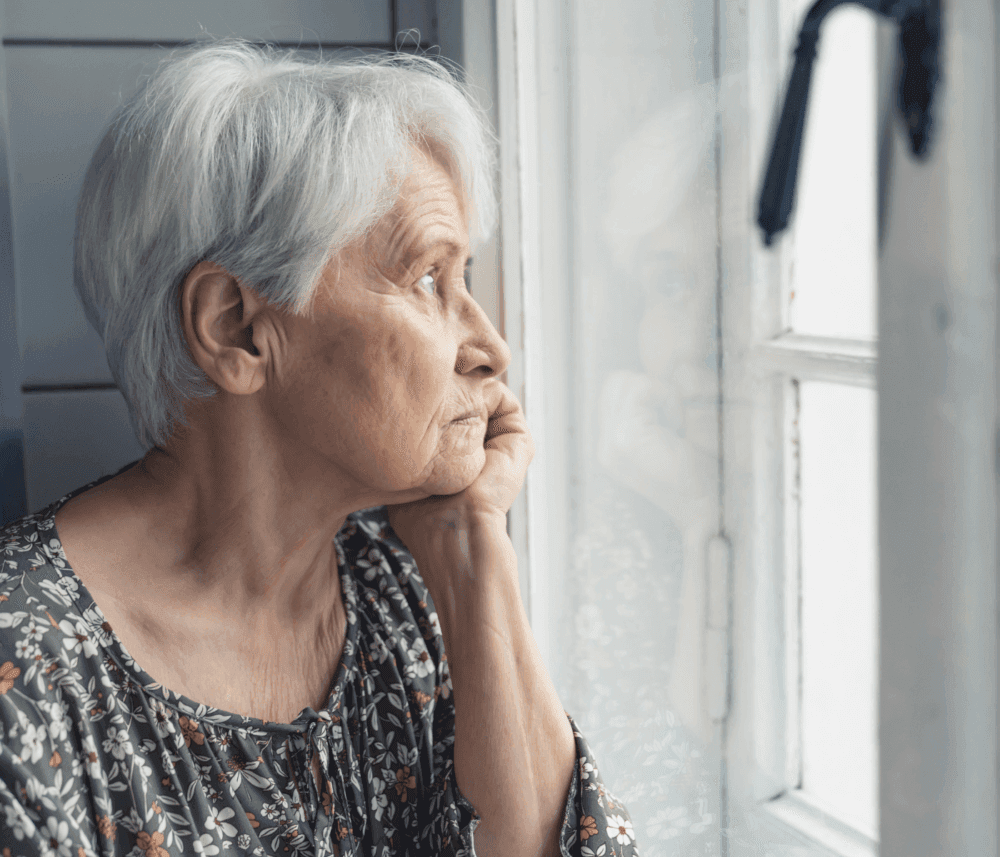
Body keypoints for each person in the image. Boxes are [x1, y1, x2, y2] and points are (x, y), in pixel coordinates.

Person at [0, 39, 638, 857]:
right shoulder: (25, 668)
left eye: (465, 277)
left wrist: (471, 544)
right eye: (427, 279)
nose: (490, 348)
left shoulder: (401, 581)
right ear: (236, 328)